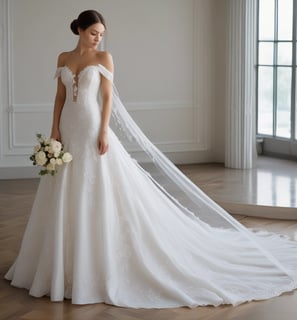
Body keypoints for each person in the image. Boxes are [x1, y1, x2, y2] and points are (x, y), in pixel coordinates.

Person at [5, 10, 297, 308]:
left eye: (101, 34)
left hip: (92, 127)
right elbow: (59, 96)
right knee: (64, 185)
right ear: (79, 29)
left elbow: (106, 98)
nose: (98, 38)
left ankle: (96, 262)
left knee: (96, 187)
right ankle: (60, 262)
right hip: (68, 127)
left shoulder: (104, 59)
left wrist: (104, 130)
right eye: (94, 32)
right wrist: (54, 129)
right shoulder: (63, 57)